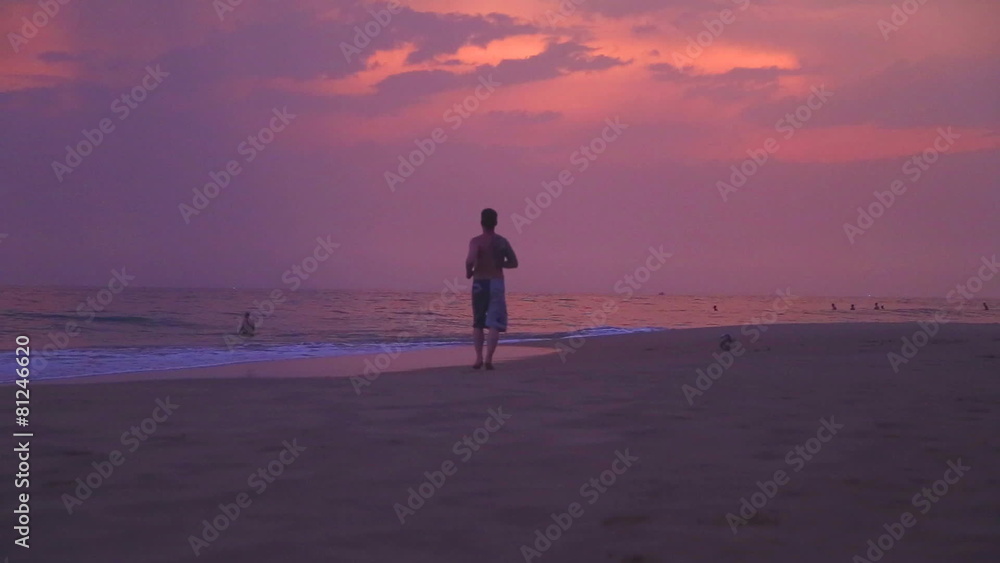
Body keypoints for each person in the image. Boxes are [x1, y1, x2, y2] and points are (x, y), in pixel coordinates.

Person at [465, 208, 518, 370]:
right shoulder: (502, 242)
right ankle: (489, 358)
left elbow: (469, 260)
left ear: (481, 222)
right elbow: (514, 263)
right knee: (494, 322)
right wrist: (500, 263)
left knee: (478, 322)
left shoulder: (476, 241)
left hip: (480, 282)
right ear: (496, 223)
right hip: (496, 281)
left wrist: (469, 272)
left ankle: (478, 358)